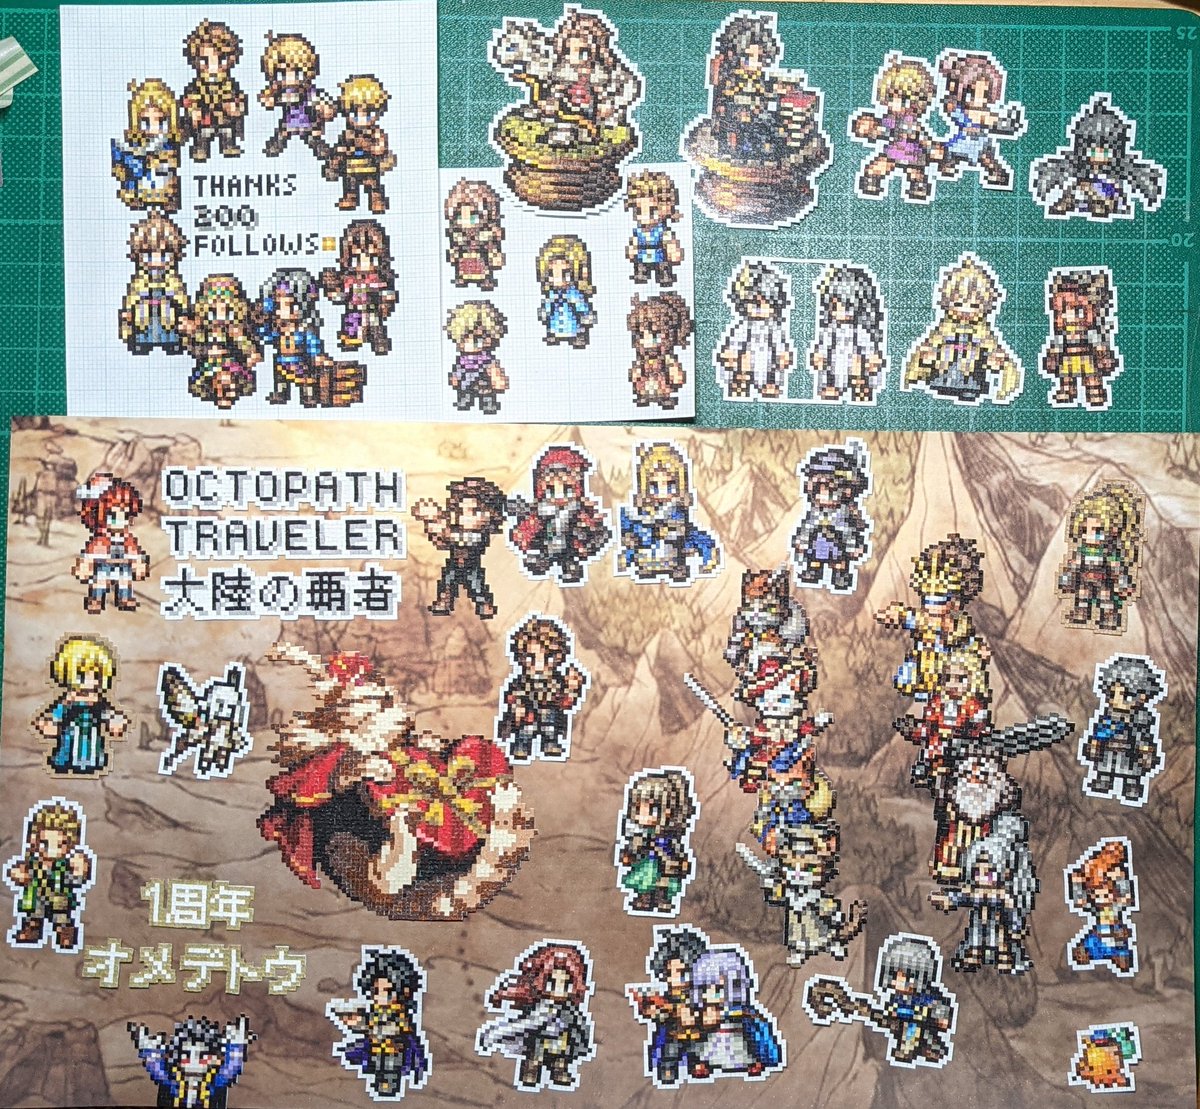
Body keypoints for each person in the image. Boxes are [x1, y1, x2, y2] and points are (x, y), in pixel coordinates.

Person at [477, 942, 596, 1090]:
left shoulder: (570, 1010)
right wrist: (494, 1034)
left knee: (560, 1061)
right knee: (535, 1058)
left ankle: (559, 1071)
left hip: (561, 1043)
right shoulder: (543, 1008)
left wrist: (583, 1042)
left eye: (565, 984)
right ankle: (531, 1071)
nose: (559, 989)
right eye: (552, 982)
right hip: (541, 1042)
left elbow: (580, 1026)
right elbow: (527, 1024)